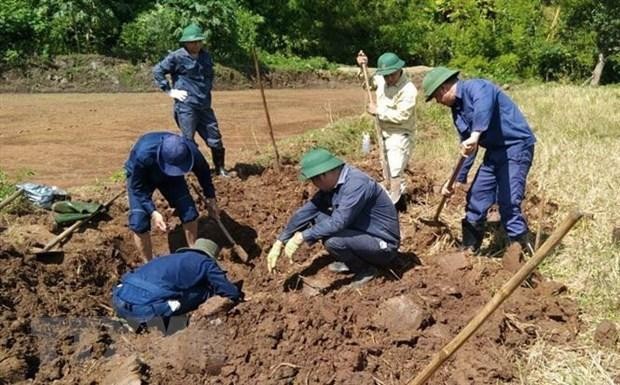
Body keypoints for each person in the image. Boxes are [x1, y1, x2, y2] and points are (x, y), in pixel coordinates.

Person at [422, 67, 536, 254]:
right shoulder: (457, 110)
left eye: (436, 97)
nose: (438, 102)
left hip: (516, 147)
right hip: (494, 152)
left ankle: (521, 254)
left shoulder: (477, 87)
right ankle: (469, 249)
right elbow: (467, 147)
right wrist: (456, 179)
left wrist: (476, 134)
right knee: (476, 196)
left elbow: (484, 107)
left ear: (443, 89)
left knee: (508, 202)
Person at [266, 148, 400, 287]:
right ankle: (354, 260)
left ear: (322, 176)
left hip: (383, 245)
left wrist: (302, 236)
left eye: (313, 180)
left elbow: (339, 222)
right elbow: (307, 212)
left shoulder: (356, 184)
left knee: (333, 241)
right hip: (361, 234)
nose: (314, 184)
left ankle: (365, 269)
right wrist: (281, 240)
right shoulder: (334, 186)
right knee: (319, 219)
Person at [112, 238, 243, 332]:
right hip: (143, 310)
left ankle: (130, 319)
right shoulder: (206, 263)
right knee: (207, 291)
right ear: (210, 256)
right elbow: (227, 290)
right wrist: (238, 296)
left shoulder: (171, 259)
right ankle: (147, 322)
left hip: (119, 299)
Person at [125, 131, 219, 261]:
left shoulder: (190, 150)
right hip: (142, 179)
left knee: (189, 211)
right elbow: (137, 188)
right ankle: (149, 264)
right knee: (139, 222)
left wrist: (211, 198)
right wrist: (153, 212)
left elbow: (203, 171)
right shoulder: (143, 155)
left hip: (171, 179)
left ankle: (194, 253)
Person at [153, 23, 229, 177]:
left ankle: (220, 169)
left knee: (214, 137)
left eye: (199, 41)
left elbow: (208, 76)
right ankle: (191, 171)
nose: (197, 44)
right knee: (188, 140)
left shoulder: (205, 57)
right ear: (186, 43)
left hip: (205, 105)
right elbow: (158, 71)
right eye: (193, 42)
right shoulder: (177, 57)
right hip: (186, 106)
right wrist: (169, 91)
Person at [356, 51, 417, 206]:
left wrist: (379, 111)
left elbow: (402, 116)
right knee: (387, 167)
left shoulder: (408, 89)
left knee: (396, 167)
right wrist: (363, 68)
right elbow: (368, 84)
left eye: (392, 75)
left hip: (400, 133)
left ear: (399, 70)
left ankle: (393, 204)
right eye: (385, 76)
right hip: (383, 131)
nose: (389, 79)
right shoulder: (382, 79)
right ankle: (400, 197)